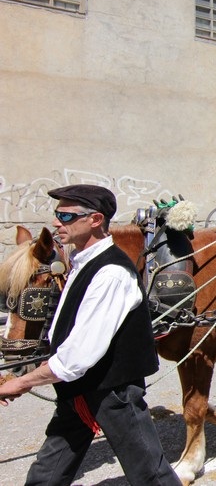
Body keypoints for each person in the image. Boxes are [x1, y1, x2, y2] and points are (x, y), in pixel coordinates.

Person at [0, 184, 180, 485]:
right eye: (57, 214)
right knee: (46, 474)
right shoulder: (81, 263)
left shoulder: (111, 273)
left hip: (112, 394)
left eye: (66, 216)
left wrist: (22, 381)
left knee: (150, 475)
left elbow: (78, 357)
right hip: (77, 390)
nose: (56, 222)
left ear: (95, 220)